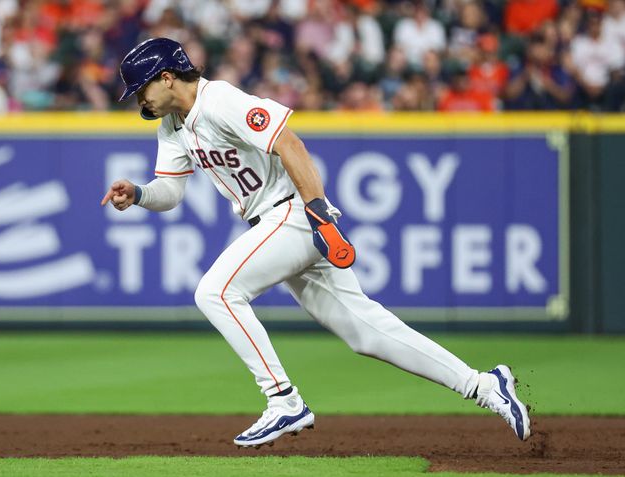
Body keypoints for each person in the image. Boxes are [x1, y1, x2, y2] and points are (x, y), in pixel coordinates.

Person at [101, 38, 531, 448]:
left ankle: (283, 400)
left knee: (216, 292)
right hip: (273, 221)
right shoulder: (172, 127)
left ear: (168, 76)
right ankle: (482, 384)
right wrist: (139, 194)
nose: (139, 99)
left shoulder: (220, 101)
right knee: (367, 333)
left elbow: (289, 142)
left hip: (293, 213)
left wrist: (319, 212)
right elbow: (171, 193)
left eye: (141, 88)